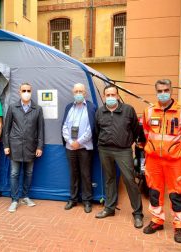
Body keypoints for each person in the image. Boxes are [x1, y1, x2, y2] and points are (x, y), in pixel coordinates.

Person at [141, 79, 181, 243]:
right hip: (153, 160)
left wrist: (178, 151)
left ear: (172, 90)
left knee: (177, 193)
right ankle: (157, 220)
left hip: (175, 161)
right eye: (160, 91)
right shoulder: (148, 110)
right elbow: (146, 133)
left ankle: (179, 225)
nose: (163, 93)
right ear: (156, 92)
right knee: (154, 192)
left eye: (166, 90)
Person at [95, 85, 144, 228]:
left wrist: (128, 141)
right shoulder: (100, 112)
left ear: (117, 96)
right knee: (109, 179)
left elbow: (136, 129)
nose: (110, 97)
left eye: (113, 94)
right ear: (104, 97)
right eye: (107, 95)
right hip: (105, 150)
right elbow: (97, 130)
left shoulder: (128, 110)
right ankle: (109, 208)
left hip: (123, 151)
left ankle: (137, 214)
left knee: (129, 180)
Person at [3, 83, 45, 212]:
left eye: (28, 90)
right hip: (15, 146)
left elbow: (41, 130)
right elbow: (6, 128)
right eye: (24, 90)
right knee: (14, 173)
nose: (26, 92)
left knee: (29, 172)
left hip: (30, 146)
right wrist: (6, 145)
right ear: (19, 92)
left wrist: (39, 146)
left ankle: (26, 196)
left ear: (31, 92)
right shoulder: (12, 107)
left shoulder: (37, 109)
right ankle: (15, 200)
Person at [61, 83, 96, 213]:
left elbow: (91, 128)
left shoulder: (91, 107)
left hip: (85, 147)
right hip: (70, 147)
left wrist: (79, 142)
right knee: (73, 174)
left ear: (85, 93)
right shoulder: (69, 107)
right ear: (73, 93)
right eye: (76, 91)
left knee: (86, 174)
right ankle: (73, 199)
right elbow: (64, 126)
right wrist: (70, 141)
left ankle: (87, 201)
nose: (78, 93)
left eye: (81, 91)